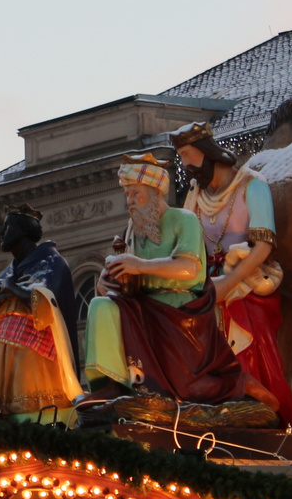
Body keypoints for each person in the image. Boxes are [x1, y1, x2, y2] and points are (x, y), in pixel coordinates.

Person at [79, 153, 267, 410]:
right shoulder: (134, 231)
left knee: (191, 389)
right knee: (100, 305)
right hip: (143, 308)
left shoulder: (184, 220)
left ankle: (242, 384)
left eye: (136, 194)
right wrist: (109, 280)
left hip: (180, 315)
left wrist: (140, 266)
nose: (130, 202)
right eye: (128, 195)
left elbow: (190, 268)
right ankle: (110, 383)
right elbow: (129, 275)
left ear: (156, 192)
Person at [172, 122, 292, 428]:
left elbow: (264, 246)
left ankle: (256, 401)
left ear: (207, 152)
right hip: (205, 282)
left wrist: (228, 284)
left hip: (251, 280)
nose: (186, 166)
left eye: (189, 156)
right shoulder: (194, 194)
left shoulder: (252, 186)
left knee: (240, 315)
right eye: (181, 159)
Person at [0, 205, 82, 428]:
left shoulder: (51, 264)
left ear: (23, 231)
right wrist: (4, 295)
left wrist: (12, 291)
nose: (1, 233)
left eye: (7, 227)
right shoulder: (8, 274)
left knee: (36, 424)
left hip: (35, 362)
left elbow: (48, 306)